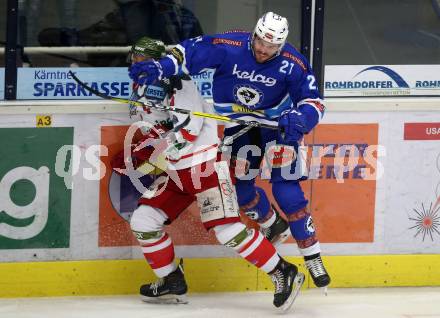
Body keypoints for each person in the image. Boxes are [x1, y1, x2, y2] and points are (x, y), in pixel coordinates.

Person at [128, 12, 331, 289]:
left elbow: (314, 102)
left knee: (288, 193)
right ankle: (272, 224)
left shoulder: (293, 63)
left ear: (281, 46)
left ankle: (312, 256)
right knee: (241, 191)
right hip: (240, 129)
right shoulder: (230, 45)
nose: (262, 49)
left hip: (280, 128)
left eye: (271, 47)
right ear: (254, 33)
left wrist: (301, 119)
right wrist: (163, 66)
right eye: (260, 41)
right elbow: (188, 52)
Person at [113, 36, 305, 311]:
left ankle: (282, 271)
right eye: (136, 59)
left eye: (146, 60)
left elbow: (189, 130)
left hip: (203, 166)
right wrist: (146, 148)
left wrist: (157, 142)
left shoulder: (179, 81)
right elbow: (153, 127)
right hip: (176, 171)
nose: (139, 64)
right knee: (144, 221)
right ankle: (171, 280)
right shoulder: (140, 86)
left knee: (226, 230)